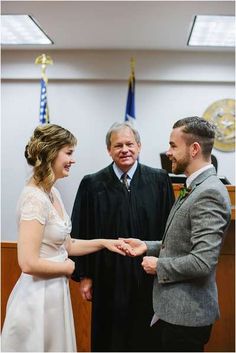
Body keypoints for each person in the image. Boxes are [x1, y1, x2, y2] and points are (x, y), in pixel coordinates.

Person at [1, 124, 128, 352]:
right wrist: (68, 268)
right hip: (36, 299)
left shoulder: (52, 193)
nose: (73, 160)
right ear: (51, 153)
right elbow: (27, 263)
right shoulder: (34, 199)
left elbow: (67, 245)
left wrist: (104, 243)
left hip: (54, 294)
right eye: (69, 153)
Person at [120, 116, 231, 352]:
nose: (168, 152)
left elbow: (202, 262)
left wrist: (159, 265)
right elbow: (181, 244)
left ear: (194, 149)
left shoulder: (208, 192)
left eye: (173, 145)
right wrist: (146, 246)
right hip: (174, 312)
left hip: (187, 316)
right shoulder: (195, 186)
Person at [70, 121, 175, 352]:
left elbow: (170, 230)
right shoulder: (92, 183)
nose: (124, 149)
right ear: (109, 150)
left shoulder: (159, 180)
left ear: (139, 146)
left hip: (148, 273)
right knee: (110, 337)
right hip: (108, 275)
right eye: (118, 145)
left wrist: (164, 268)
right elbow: (81, 231)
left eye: (130, 144)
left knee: (147, 338)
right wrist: (85, 275)